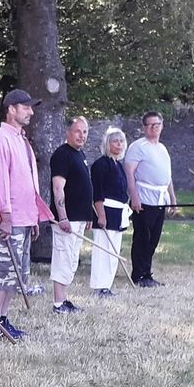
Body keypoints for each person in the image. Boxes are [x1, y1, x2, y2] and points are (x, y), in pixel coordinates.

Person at [0, 88, 49, 339]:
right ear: (11, 109)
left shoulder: (21, 139)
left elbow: (27, 183)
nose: (31, 111)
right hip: (7, 221)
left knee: (16, 275)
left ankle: (2, 319)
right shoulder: (0, 140)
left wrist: (34, 217)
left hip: (23, 218)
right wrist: (6, 220)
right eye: (26, 107)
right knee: (6, 273)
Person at [123, 110, 176, 287]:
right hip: (143, 198)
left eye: (157, 124)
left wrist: (172, 198)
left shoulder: (162, 148)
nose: (154, 128)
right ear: (144, 127)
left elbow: (167, 177)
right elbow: (129, 173)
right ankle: (139, 275)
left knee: (154, 238)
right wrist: (134, 197)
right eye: (150, 125)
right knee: (142, 237)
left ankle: (147, 272)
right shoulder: (138, 147)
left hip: (160, 199)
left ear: (162, 126)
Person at [47, 116, 94, 313]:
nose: (81, 135)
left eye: (84, 132)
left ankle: (64, 300)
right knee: (63, 258)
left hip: (79, 217)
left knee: (72, 259)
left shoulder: (79, 154)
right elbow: (58, 188)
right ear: (68, 132)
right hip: (67, 218)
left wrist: (88, 214)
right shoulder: (62, 155)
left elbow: (83, 186)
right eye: (78, 131)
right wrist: (62, 216)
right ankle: (58, 303)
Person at [89, 125, 130, 296]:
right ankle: (100, 286)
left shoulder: (119, 165)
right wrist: (101, 215)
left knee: (113, 250)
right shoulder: (100, 165)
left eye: (121, 141)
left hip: (118, 211)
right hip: (105, 210)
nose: (119, 144)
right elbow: (97, 192)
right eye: (115, 141)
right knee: (103, 250)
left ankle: (107, 284)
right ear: (107, 144)